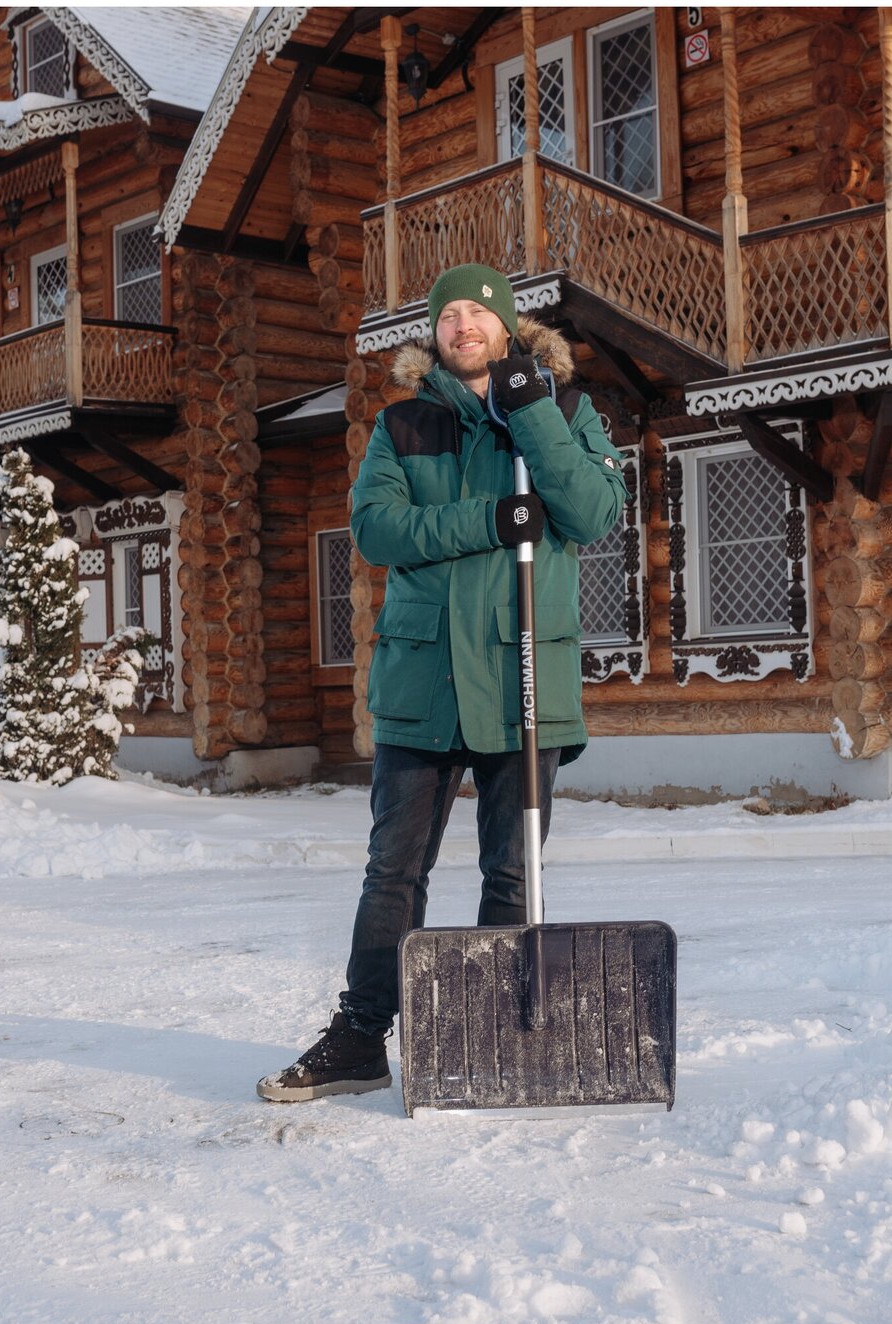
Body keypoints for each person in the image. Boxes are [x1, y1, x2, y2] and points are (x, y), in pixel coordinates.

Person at [257, 263, 629, 1101]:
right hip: (424, 681)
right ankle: (359, 1038)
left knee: (511, 873)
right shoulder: (404, 423)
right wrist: (490, 520)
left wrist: (530, 411)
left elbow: (594, 514)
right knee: (393, 871)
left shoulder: (566, 410)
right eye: (448, 314)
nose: (461, 324)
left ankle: (496, 1034)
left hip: (521, 671)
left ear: (507, 326)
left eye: (476, 312)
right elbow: (377, 529)